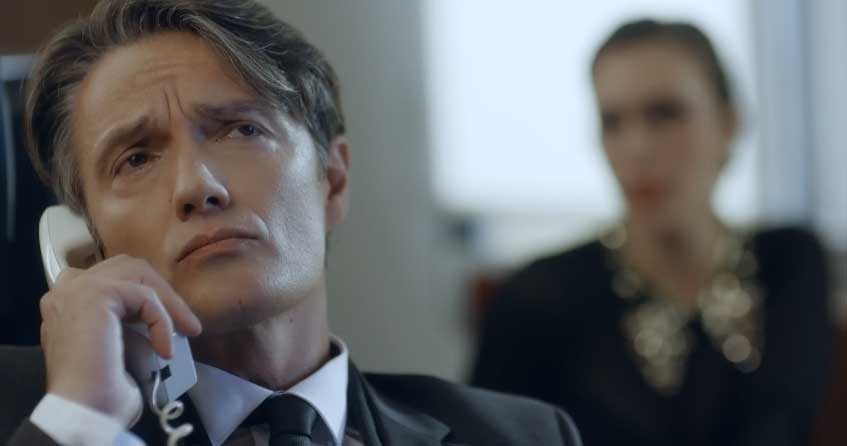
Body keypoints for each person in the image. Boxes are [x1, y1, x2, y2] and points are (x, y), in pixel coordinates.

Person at [0, 1, 582, 445]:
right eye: (135, 159)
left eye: (241, 129)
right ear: (88, 244)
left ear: (334, 178)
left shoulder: (526, 435)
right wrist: (79, 421)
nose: (197, 186)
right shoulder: (35, 415)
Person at [471, 19, 833, 446]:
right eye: (613, 122)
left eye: (666, 114)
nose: (637, 147)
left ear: (729, 123)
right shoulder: (539, 297)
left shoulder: (789, 263)